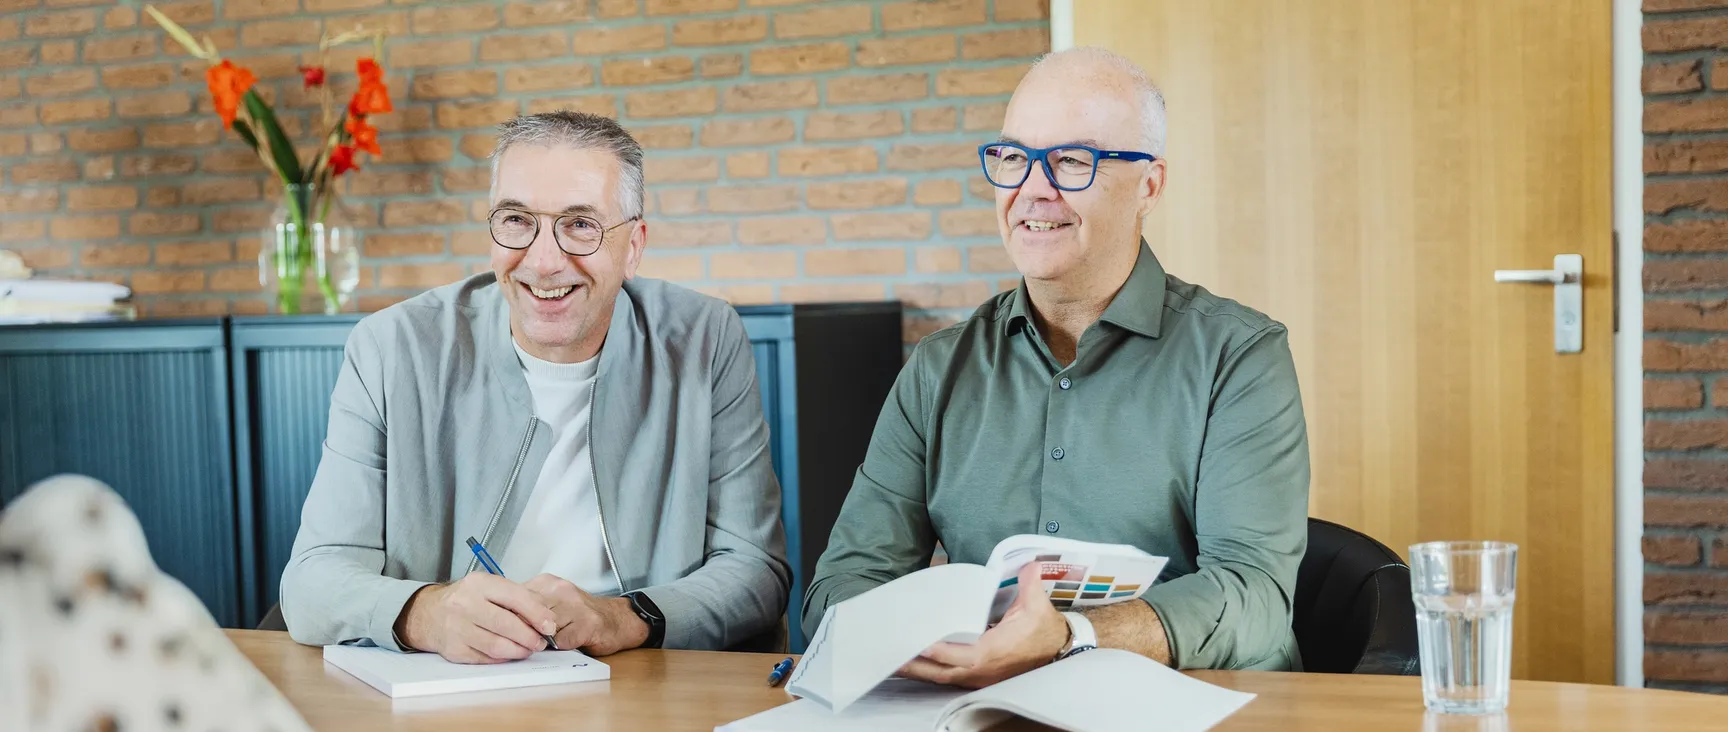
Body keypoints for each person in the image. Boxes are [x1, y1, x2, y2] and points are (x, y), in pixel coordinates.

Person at [803, 47, 1311, 687]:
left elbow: (1255, 598)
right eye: (1014, 158)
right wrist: (917, 635)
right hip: (982, 707)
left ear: (1148, 186)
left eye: (1072, 161)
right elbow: (843, 586)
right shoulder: (938, 369)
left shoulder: (1239, 356)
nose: (1032, 189)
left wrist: (1074, 636)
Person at [281, 111, 790, 663]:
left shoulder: (705, 337)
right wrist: (428, 613)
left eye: (581, 225)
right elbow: (312, 582)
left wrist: (624, 617)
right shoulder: (391, 347)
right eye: (517, 220)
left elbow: (755, 571)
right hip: (450, 682)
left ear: (634, 246)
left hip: (636, 675)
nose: (544, 262)